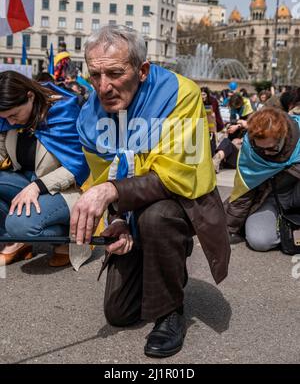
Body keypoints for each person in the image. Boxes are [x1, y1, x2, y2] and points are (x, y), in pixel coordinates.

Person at [71, 25, 230, 358]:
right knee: (119, 313)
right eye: (95, 75)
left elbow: (177, 176)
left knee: (157, 217)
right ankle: (158, 261)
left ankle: (170, 312)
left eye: (115, 73)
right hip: (129, 205)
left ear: (142, 70)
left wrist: (110, 193)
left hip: (180, 203)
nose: (103, 87)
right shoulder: (90, 114)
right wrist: (116, 220)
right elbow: (102, 177)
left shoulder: (180, 93)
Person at [0, 71, 89, 268]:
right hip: (25, 182)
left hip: (63, 190)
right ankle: (15, 240)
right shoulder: (8, 116)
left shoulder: (65, 112)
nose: (11, 122)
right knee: (16, 224)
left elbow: (79, 166)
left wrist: (37, 186)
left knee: (18, 225)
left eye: (14, 115)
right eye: (6, 118)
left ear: (30, 96)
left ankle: (67, 235)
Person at [226, 107, 300, 250]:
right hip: (270, 197)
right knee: (259, 240)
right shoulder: (250, 148)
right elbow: (244, 191)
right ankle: (285, 231)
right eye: (261, 149)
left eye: (272, 148)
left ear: (284, 135)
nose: (266, 153)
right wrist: (229, 229)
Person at [212, 94, 253, 173]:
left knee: (228, 142)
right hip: (230, 154)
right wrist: (231, 127)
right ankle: (216, 160)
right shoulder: (236, 116)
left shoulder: (251, 117)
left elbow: (252, 128)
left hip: (241, 155)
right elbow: (231, 122)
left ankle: (216, 160)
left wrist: (241, 140)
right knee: (226, 141)